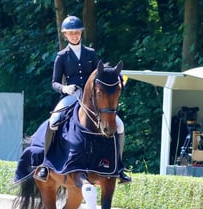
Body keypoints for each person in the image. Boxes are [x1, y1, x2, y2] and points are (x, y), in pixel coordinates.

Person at [35, 15, 131, 184]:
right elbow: (55, 82)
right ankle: (45, 163)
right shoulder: (62, 56)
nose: (74, 36)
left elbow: (99, 75)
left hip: (92, 98)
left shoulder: (91, 53)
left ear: (81, 33)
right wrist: (65, 88)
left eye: (77, 32)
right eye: (71, 33)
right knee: (54, 120)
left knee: (120, 125)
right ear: (65, 35)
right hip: (71, 95)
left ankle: (119, 167)